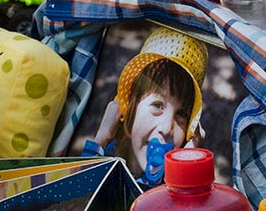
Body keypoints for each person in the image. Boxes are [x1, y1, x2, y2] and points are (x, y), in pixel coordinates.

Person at [85, 27, 208, 188]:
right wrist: (101, 138)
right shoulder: (104, 158)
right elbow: (80, 195)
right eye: (157, 105)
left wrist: (187, 161)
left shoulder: (170, 185)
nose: (166, 128)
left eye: (181, 114)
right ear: (130, 109)